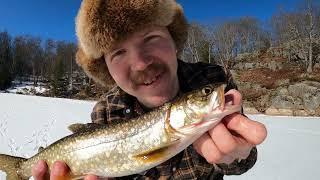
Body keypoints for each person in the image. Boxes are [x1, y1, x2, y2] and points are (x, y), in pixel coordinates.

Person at [32, 0, 267, 179]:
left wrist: (238, 155)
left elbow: (243, 159)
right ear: (107, 70)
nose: (141, 64)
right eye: (118, 52)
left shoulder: (212, 79)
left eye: (151, 38)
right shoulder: (106, 111)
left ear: (174, 41)